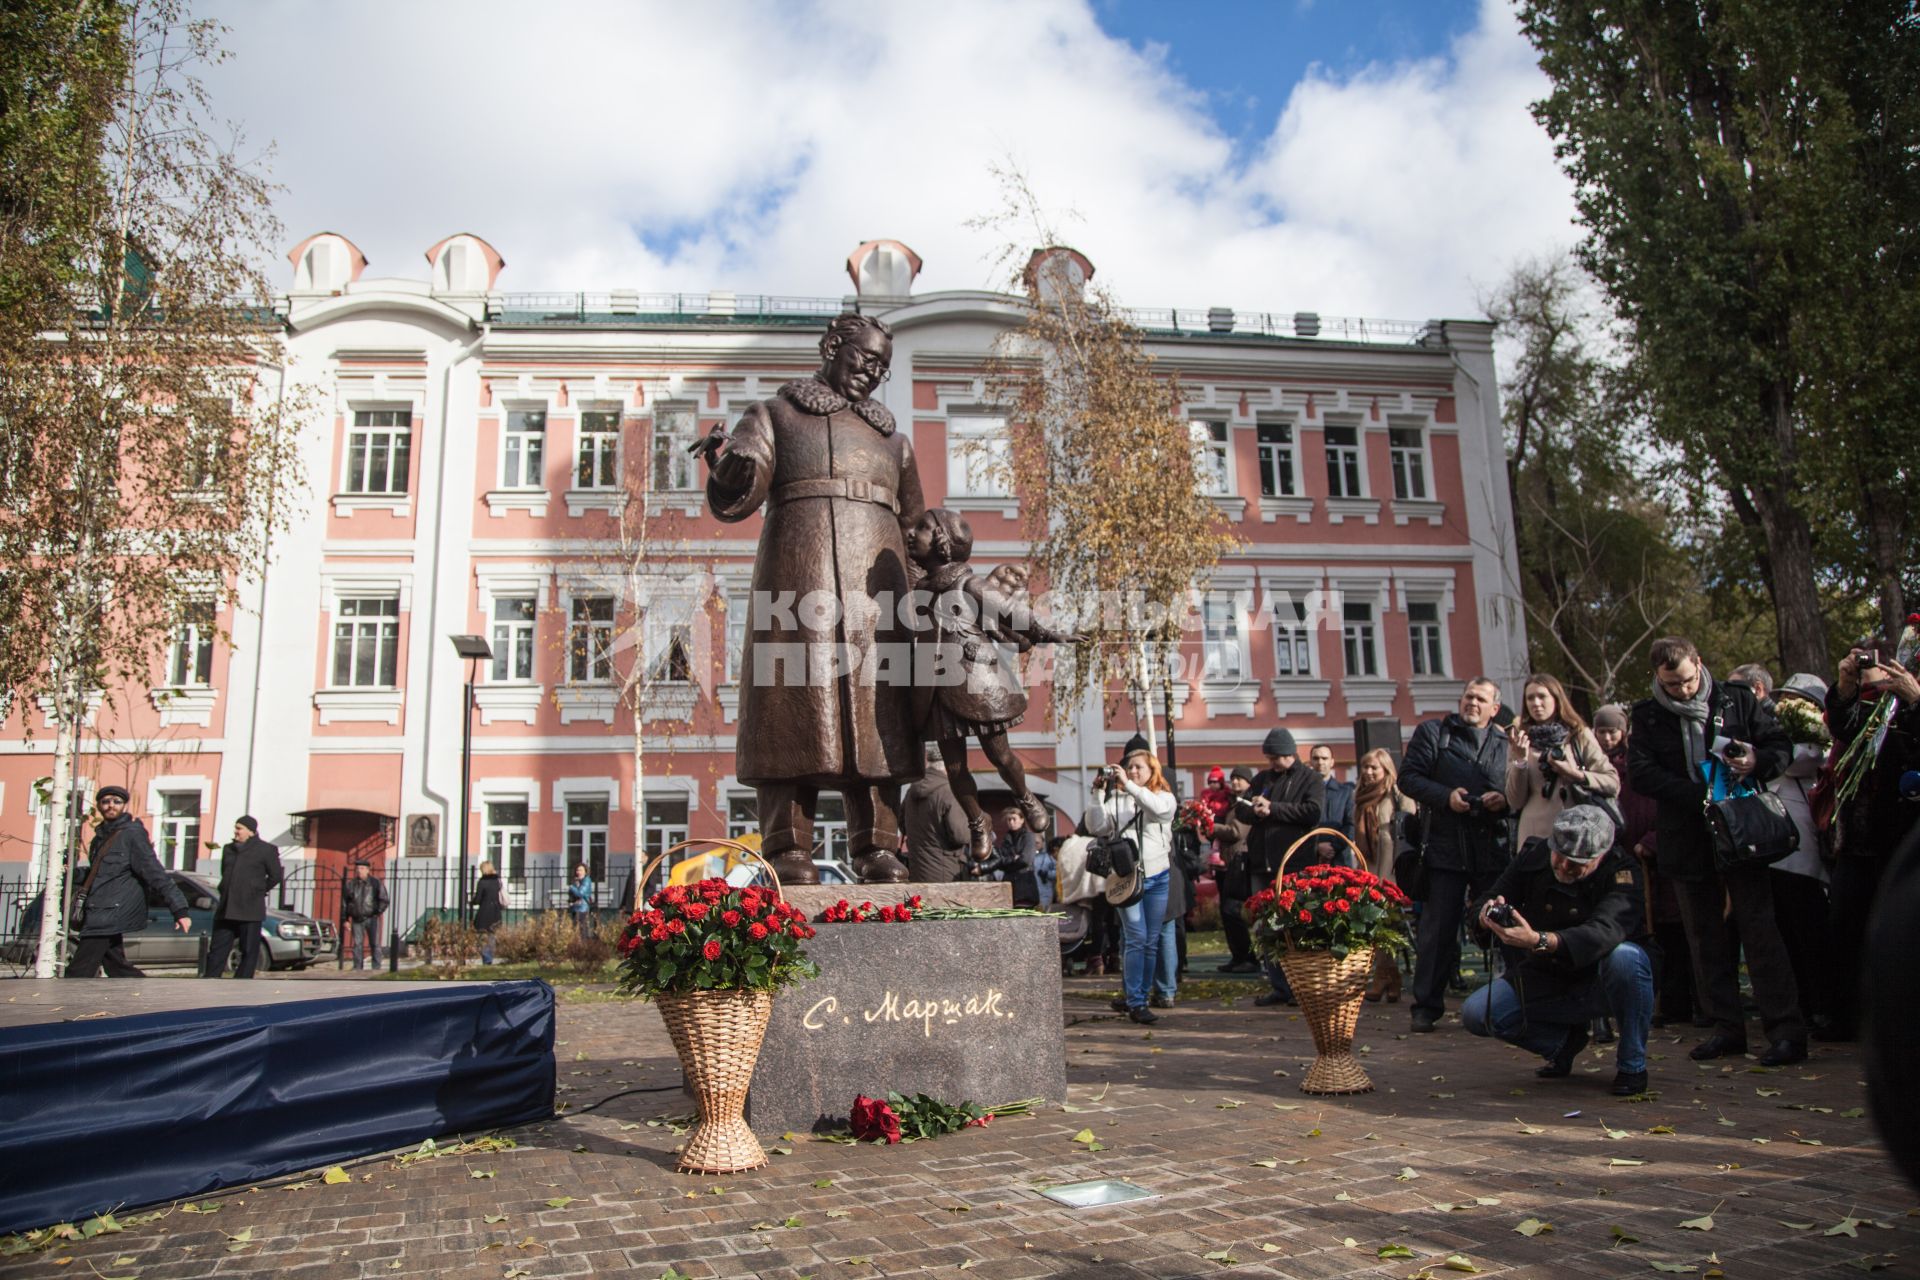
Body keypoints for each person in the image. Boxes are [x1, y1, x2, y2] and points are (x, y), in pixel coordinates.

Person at [700, 312, 927, 885]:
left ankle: (878, 845)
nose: (871, 374)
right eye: (863, 359)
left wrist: (929, 590)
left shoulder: (893, 441)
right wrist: (732, 465)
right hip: (796, 574)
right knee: (792, 709)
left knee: (880, 716)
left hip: (877, 589)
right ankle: (786, 847)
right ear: (832, 347)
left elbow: (917, 525)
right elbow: (738, 492)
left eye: (882, 367)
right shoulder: (774, 415)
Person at [1628, 636, 1802, 1065]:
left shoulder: (1737, 700)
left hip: (1742, 830)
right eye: (1672, 686)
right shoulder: (1647, 716)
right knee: (1703, 936)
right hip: (1686, 834)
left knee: (1760, 929)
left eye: (1687, 681)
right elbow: (1641, 773)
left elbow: (1781, 745)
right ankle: (1726, 1028)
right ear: (1658, 678)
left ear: (1699, 664)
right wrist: (1697, 794)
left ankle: (1785, 1031)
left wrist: (1755, 761)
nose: (1683, 691)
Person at [905, 506, 1079, 856]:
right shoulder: (920, 589)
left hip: (977, 682)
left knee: (1000, 755)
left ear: (942, 543)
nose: (912, 534)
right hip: (936, 686)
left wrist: (1047, 632)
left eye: (922, 529)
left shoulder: (969, 583)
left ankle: (1026, 797)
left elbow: (1009, 611)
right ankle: (977, 820)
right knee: (955, 767)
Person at [1461, 805, 1655, 1096]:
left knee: (1626, 957)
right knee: (1478, 1013)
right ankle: (1562, 1043)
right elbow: (1490, 895)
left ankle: (1632, 1064)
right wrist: (1486, 914)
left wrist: (1539, 939)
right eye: (1559, 857)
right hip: (1546, 972)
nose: (1564, 867)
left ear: (1600, 857)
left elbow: (1603, 932)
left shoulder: (1622, 872)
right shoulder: (1534, 855)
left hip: (1600, 975)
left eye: (1576, 863)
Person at [1822, 629, 1920, 1041]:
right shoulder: (1871, 707)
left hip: (1906, 840)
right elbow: (1843, 727)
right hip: (1860, 837)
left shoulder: (1910, 703)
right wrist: (1844, 688)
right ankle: (1845, 1018)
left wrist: (1916, 700)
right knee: (1846, 926)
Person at [1399, 678, 1512, 1032]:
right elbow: (1408, 779)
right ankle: (1426, 1006)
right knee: (1437, 931)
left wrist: (1502, 800)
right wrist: (1446, 796)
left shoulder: (1505, 743)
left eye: (1481, 699)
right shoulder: (1434, 733)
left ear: (1494, 709)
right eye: (1468, 697)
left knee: (1501, 925)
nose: (1472, 704)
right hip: (1444, 848)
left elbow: (1518, 786)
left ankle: (1510, 1000)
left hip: (1491, 849)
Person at [1595, 703, 1690, 1027]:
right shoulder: (1600, 770)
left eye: (1612, 731)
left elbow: (1660, 808)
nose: (1607, 738)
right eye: (1602, 731)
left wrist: (1649, 843)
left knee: (1672, 932)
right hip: (1621, 861)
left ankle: (1679, 1002)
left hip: (1654, 858)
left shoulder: (1637, 765)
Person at [1763, 673, 1835, 1033]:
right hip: (1773, 845)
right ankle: (1802, 1006)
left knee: (1810, 931)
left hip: (1802, 845)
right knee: (1787, 933)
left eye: (1798, 700)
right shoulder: (1775, 734)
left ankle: (1823, 1005)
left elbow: (1796, 762)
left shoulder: (1817, 743)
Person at [1086, 747, 1178, 1023]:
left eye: (1139, 767)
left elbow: (1158, 812)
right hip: (1127, 879)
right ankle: (1136, 1002)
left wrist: (1129, 785)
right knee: (1136, 938)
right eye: (1130, 767)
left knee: (1150, 941)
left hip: (1158, 876)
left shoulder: (1164, 797)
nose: (1133, 771)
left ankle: (1138, 995)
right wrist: (1098, 794)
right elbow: (1097, 827)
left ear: (1152, 771)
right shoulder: (1119, 799)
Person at [1236, 728, 1325, 1007]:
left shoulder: (1310, 778)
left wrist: (1274, 809)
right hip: (1262, 864)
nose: (1272, 763)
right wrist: (1255, 809)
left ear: (1290, 753)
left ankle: (1302, 986)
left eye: (1276, 758)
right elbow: (1240, 808)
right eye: (1270, 758)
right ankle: (1279, 986)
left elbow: (1312, 812)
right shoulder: (1262, 778)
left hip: (1295, 863)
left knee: (1297, 925)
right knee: (1267, 927)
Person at [67, 787, 192, 977]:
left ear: (124, 805)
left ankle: (64, 1003)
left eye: (116, 802)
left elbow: (155, 872)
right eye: (106, 801)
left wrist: (179, 910)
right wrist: (73, 875)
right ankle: (143, 999)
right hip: (99, 909)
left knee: (79, 970)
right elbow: (101, 874)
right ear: (99, 805)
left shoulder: (132, 834)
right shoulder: (100, 837)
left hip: (111, 912)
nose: (111, 806)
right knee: (117, 967)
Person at [1504, 673, 1619, 845]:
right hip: (1535, 836)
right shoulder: (1520, 740)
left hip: (1577, 834)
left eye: (1542, 696)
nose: (1536, 703)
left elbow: (1612, 782)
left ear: (1556, 699)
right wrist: (1520, 761)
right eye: (1530, 698)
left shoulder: (1578, 735)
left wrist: (1575, 775)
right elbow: (1515, 800)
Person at [1352, 748, 1416, 1002]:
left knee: (1387, 924)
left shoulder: (1397, 794)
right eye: (1365, 767)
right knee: (1374, 925)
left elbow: (1410, 825)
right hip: (1368, 866)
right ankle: (1391, 977)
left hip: (1392, 869)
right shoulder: (1359, 796)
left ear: (1386, 770)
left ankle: (1383, 977)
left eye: (1374, 768)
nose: (1368, 772)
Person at [203, 815, 284, 979]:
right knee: (218, 948)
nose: (236, 831)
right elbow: (224, 873)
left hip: (250, 907)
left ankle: (242, 981)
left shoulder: (266, 850)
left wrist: (258, 890)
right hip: (226, 908)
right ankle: (210, 980)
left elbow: (275, 876)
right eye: (236, 827)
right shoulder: (228, 849)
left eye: (239, 828)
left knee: (248, 949)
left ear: (251, 832)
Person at [902, 749, 972, 882]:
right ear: (947, 766)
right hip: (947, 871)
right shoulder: (949, 791)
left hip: (917, 869)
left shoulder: (911, 792)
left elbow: (902, 824)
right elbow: (960, 836)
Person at [1214, 766, 1259, 973]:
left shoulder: (1248, 804)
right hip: (1231, 862)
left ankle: (1247, 958)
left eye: (1240, 779)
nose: (1235, 783)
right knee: (1228, 911)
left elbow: (1236, 832)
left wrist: (1211, 826)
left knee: (1232, 909)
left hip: (1242, 861)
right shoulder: (1233, 804)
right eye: (1232, 779)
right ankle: (1239, 956)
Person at [1309, 745, 1355, 865]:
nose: (1320, 762)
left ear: (1332, 762)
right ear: (1311, 762)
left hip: (1340, 860)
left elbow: (1351, 825)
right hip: (1310, 859)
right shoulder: (1303, 792)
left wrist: (1333, 847)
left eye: (1324, 758)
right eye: (1316, 758)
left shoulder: (1346, 791)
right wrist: (1317, 846)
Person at [341, 860, 389, 970]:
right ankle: (358, 967)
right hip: (357, 919)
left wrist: (377, 912)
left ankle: (376, 967)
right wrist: (346, 919)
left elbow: (384, 900)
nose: (359, 871)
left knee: (375, 944)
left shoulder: (375, 883)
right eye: (357, 868)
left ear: (368, 870)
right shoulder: (351, 885)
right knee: (357, 944)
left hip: (372, 918)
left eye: (362, 868)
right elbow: (345, 903)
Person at [471, 860, 506, 964]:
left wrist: (472, 901)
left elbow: (478, 899)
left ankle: (486, 959)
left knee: (482, 936)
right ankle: (489, 958)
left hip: (484, 912)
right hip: (496, 912)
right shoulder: (497, 881)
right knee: (492, 936)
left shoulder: (482, 882)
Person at [568, 863, 595, 939]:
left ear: (585, 872)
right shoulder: (577, 881)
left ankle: (583, 947)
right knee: (575, 930)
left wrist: (572, 887)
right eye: (577, 870)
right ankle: (577, 947)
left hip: (582, 908)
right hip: (575, 907)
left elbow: (580, 893)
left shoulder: (586, 880)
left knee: (582, 929)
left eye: (581, 870)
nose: (578, 872)